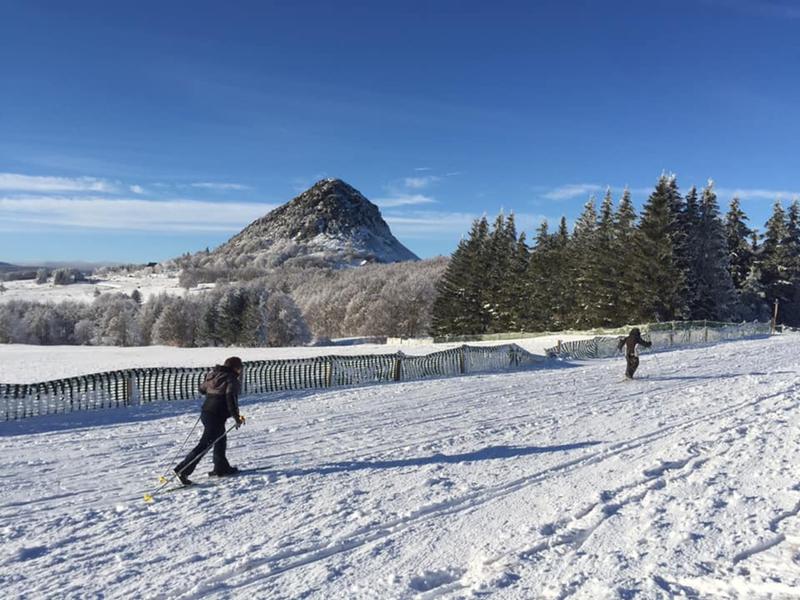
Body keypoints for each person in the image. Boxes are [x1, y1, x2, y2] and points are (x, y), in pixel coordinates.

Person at [174, 356, 246, 485]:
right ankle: (182, 470)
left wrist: (213, 390)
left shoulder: (213, 374)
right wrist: (237, 417)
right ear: (236, 368)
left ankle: (221, 467)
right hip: (216, 415)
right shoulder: (232, 379)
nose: (240, 371)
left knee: (220, 440)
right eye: (240, 368)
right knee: (205, 444)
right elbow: (231, 400)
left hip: (207, 412)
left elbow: (202, 389)